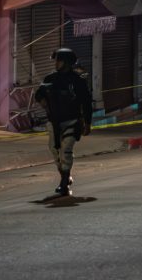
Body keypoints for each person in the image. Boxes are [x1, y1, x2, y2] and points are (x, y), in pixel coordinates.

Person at [34, 48, 93, 196]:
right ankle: (65, 176)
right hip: (53, 121)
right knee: (55, 151)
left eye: (59, 60)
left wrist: (87, 123)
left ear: (66, 62)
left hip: (72, 121)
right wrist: (44, 102)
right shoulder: (50, 79)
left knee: (66, 150)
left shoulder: (78, 81)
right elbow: (38, 94)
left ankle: (64, 182)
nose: (56, 63)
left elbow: (86, 103)